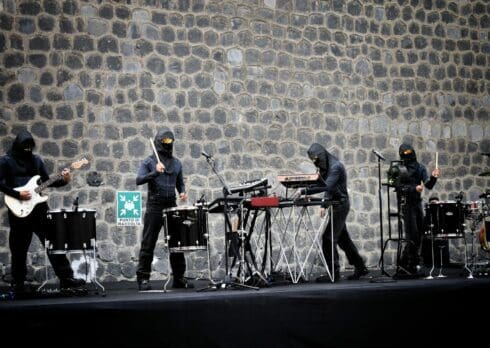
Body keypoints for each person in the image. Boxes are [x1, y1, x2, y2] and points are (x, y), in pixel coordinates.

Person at [0, 130, 85, 294]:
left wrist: (64, 180)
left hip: (39, 210)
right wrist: (17, 194)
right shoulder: (6, 161)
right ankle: (18, 284)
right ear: (17, 146)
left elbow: (47, 182)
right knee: (19, 248)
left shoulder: (36, 160)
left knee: (54, 242)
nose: (27, 151)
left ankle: (66, 278)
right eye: (24, 148)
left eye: (29, 148)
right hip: (18, 212)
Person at [136, 128, 192, 290]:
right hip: (155, 206)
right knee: (148, 242)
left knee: (176, 244)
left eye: (170, 142)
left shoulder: (176, 163)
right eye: (165, 142)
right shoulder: (149, 162)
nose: (167, 145)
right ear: (159, 142)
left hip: (171, 205)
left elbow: (179, 182)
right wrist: (154, 172)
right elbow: (139, 179)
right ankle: (143, 278)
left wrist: (182, 192)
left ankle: (179, 277)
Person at [303, 143, 369, 282]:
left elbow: (327, 186)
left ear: (321, 155)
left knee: (328, 238)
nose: (315, 162)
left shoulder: (335, 167)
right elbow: (320, 184)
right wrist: (303, 188)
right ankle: (360, 266)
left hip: (340, 205)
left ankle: (333, 273)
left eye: (316, 159)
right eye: (313, 160)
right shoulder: (325, 166)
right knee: (343, 239)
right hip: (335, 204)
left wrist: (322, 203)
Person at [396, 143, 440, 275]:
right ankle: (409, 263)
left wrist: (433, 177)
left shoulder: (420, 167)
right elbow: (399, 188)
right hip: (405, 204)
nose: (408, 155)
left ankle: (405, 263)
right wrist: (413, 188)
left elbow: (428, 185)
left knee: (420, 233)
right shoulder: (399, 168)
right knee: (412, 234)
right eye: (405, 153)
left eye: (409, 153)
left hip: (416, 203)